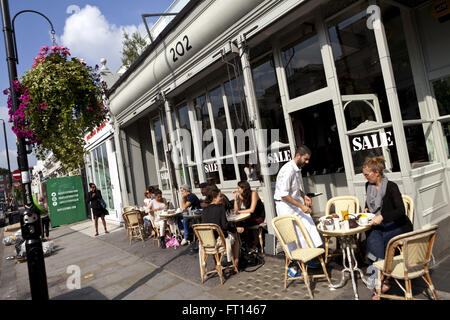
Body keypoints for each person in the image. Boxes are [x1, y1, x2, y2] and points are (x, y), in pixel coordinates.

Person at [362, 156, 413, 297]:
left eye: (367, 174)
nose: (365, 177)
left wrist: (382, 217)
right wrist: (366, 209)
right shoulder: (368, 185)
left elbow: (400, 211)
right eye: (364, 174)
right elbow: (369, 203)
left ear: (377, 172)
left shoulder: (391, 187)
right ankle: (380, 282)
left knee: (381, 243)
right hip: (378, 225)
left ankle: (381, 282)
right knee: (372, 241)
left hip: (396, 225)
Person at [274, 145, 322, 249]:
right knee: (293, 235)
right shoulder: (288, 170)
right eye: (305, 159)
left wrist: (304, 196)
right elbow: (284, 194)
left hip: (292, 204)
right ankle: (296, 260)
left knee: (308, 225)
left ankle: (312, 253)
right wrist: (301, 206)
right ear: (298, 155)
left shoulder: (295, 168)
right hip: (285, 206)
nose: (307, 162)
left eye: (308, 159)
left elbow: (293, 187)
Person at [200, 185, 240, 268]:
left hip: (207, 243)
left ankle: (217, 264)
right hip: (219, 242)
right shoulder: (220, 207)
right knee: (235, 236)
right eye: (220, 196)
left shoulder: (204, 210)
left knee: (229, 233)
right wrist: (235, 229)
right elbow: (224, 226)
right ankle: (235, 262)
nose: (222, 198)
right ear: (214, 198)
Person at [232, 181, 265, 252]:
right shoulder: (241, 195)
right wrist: (235, 199)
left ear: (244, 188)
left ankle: (252, 246)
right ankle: (246, 245)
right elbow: (236, 210)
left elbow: (252, 209)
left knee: (243, 225)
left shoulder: (253, 193)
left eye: (239, 188)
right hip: (250, 216)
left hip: (258, 216)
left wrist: (239, 212)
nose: (238, 190)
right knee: (238, 224)